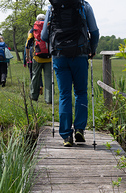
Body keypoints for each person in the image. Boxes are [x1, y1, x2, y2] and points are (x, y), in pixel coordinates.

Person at [41, 0, 99, 147]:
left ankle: (66, 136)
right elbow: (94, 31)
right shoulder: (84, 5)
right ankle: (79, 129)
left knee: (64, 94)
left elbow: (44, 36)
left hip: (60, 56)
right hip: (80, 54)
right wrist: (92, 48)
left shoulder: (52, 7)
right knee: (81, 92)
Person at [26, 14, 52, 103]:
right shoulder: (50, 28)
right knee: (48, 78)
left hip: (37, 57)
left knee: (35, 77)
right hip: (49, 58)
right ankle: (49, 99)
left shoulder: (33, 29)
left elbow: (28, 43)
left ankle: (33, 96)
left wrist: (27, 56)